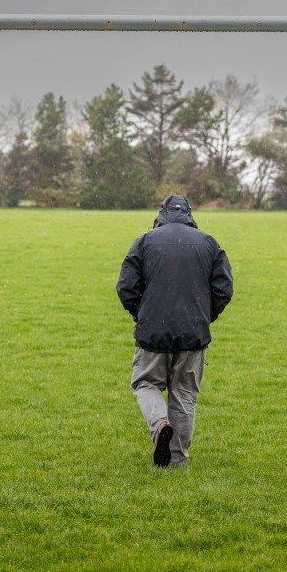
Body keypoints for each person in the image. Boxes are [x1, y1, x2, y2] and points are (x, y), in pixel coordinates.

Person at [116, 195, 234, 468]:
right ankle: (177, 460)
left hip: (153, 332)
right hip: (194, 333)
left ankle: (159, 425)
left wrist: (142, 315)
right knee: (184, 394)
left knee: (145, 384)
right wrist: (204, 317)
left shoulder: (145, 241)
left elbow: (126, 287)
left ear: (161, 215)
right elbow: (224, 289)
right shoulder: (208, 243)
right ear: (190, 215)